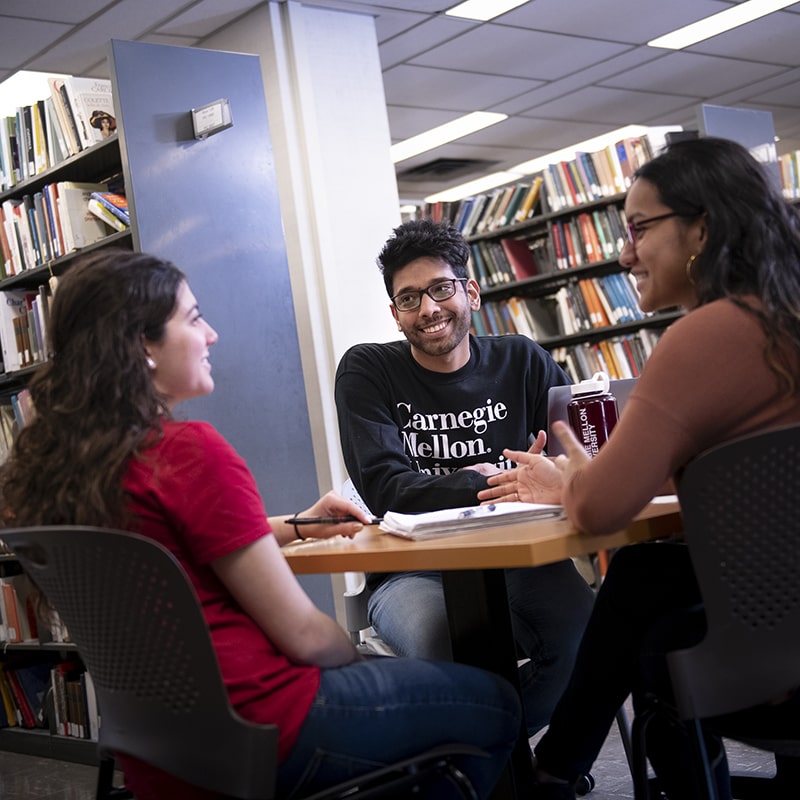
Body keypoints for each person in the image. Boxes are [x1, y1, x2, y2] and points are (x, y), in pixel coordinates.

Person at [0, 249, 523, 800]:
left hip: (161, 747)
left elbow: (177, 542)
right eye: (194, 317)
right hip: (267, 723)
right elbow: (305, 636)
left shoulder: (64, 473)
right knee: (495, 702)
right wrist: (361, 663)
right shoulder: (188, 453)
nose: (213, 335)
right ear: (142, 346)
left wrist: (295, 525)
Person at [478, 136, 800, 799]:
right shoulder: (784, 316)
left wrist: (571, 482)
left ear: (701, 228)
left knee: (655, 641)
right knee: (648, 571)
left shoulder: (707, 334)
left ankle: (555, 774)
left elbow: (599, 511)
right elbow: (710, 471)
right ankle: (557, 770)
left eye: (639, 229)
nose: (623, 253)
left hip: (780, 655)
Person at [335, 219, 595, 736]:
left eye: (441, 288)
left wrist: (557, 475)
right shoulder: (367, 371)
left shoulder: (522, 360)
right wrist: (492, 481)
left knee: (590, 637)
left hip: (522, 559)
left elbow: (582, 463)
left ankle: (505, 767)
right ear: (395, 314)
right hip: (412, 571)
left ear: (471, 292)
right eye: (409, 298)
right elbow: (386, 489)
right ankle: (487, 765)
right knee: (451, 659)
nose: (428, 308)